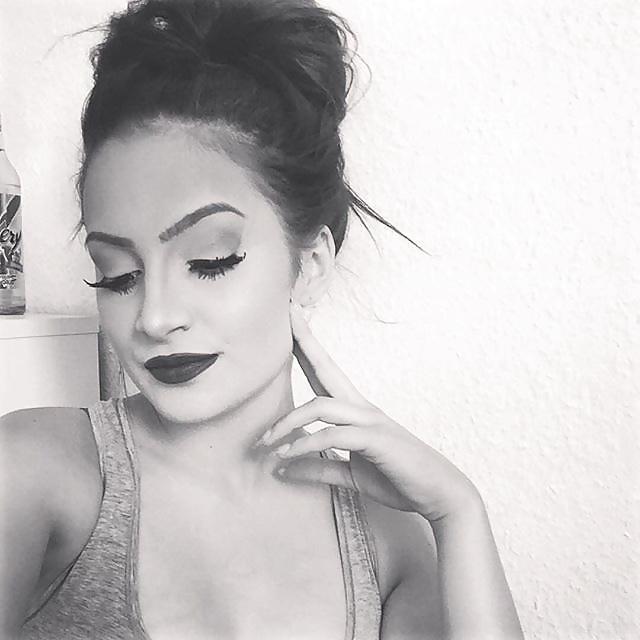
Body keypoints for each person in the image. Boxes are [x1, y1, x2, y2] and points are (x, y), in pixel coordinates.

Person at [0, 0, 525, 638]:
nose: (155, 317)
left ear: (310, 265)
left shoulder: (388, 541)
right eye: (118, 275)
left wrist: (459, 511)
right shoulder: (32, 470)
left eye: (211, 262)